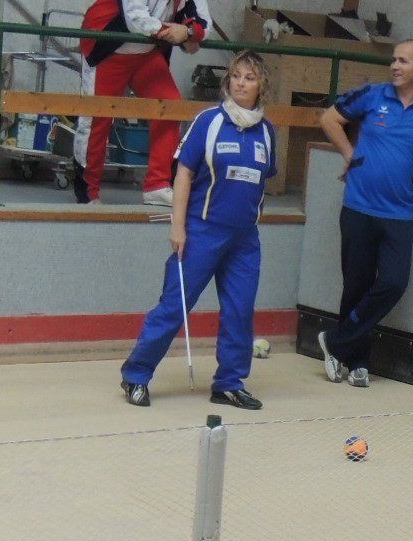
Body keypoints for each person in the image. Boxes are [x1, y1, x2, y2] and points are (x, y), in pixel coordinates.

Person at [119, 51, 275, 409]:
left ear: (261, 85)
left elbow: (262, 182)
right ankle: (136, 375)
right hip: (202, 232)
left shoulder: (267, 132)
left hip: (245, 240)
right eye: (236, 76)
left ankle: (229, 383)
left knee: (239, 311)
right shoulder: (209, 121)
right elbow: (184, 174)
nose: (241, 83)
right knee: (174, 307)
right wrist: (178, 226)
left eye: (249, 77)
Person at [315, 40, 413, 389]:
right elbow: (329, 118)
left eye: (403, 61)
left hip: (399, 213)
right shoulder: (372, 95)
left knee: (393, 282)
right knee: (356, 285)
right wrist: (349, 154)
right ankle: (357, 361)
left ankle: (336, 342)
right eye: (394, 60)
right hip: (358, 206)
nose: (395, 66)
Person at [74, 0, 209, 206]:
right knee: (96, 121)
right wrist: (179, 33)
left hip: (146, 53)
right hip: (108, 48)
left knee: (170, 107)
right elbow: (135, 17)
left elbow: (205, 23)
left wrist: (189, 32)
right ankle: (87, 189)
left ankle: (158, 184)